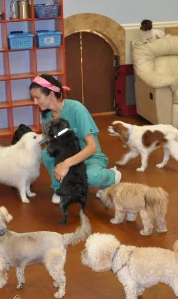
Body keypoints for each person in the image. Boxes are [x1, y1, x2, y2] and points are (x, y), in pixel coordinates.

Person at [30, 74, 121, 204]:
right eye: (33, 98)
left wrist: (66, 164)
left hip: (90, 157)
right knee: (46, 153)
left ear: (50, 94)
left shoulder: (77, 109)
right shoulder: (47, 116)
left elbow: (92, 147)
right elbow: (53, 146)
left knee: (91, 177)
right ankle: (60, 187)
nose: (35, 102)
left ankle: (112, 177)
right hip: (68, 157)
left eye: (37, 97)